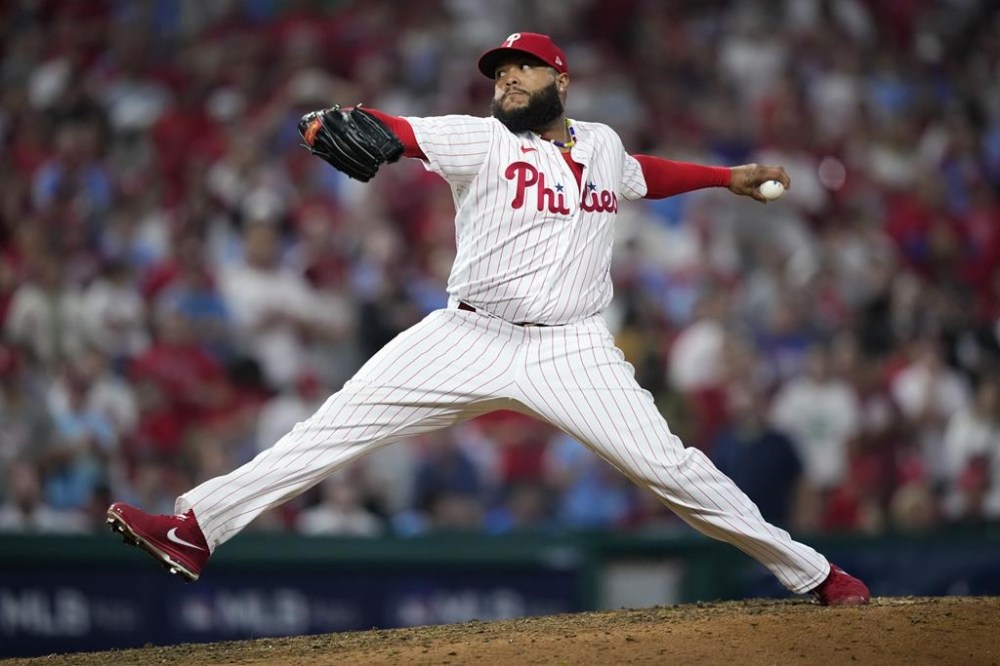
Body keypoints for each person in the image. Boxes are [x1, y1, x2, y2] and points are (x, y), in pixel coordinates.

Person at [107, 33, 869, 606]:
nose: (505, 80)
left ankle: (813, 573)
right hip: (466, 335)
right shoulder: (482, 140)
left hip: (572, 350)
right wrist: (326, 122)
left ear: (559, 79)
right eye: (498, 74)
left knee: (671, 469)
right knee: (330, 429)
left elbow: (643, 176)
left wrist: (725, 177)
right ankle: (195, 527)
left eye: (520, 69)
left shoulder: (601, 144)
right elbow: (396, 130)